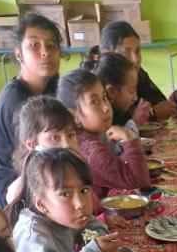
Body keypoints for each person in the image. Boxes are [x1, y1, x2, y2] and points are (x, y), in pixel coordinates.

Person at [10, 147, 127, 252]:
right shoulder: (33, 235)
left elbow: (92, 223)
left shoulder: (66, 216)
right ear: (41, 203)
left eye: (84, 190)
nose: (80, 204)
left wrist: (97, 240)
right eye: (65, 194)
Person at [0, 14, 61, 203]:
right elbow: (35, 162)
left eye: (52, 45)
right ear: (19, 54)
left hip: (45, 172)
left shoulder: (52, 87)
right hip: (20, 192)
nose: (45, 52)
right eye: (34, 45)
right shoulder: (15, 101)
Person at [57, 70, 150, 201]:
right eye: (95, 102)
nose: (106, 107)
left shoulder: (93, 136)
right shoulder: (92, 151)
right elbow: (141, 182)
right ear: (74, 116)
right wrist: (130, 140)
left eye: (104, 98)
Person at [5, 95, 81, 207]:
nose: (67, 145)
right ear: (32, 144)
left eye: (71, 135)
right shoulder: (20, 193)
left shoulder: (77, 171)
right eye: (55, 137)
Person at [93, 20, 176, 122]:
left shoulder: (137, 73)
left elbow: (159, 101)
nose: (135, 59)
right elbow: (108, 127)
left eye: (137, 51)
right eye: (126, 52)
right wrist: (151, 113)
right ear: (107, 53)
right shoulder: (93, 85)